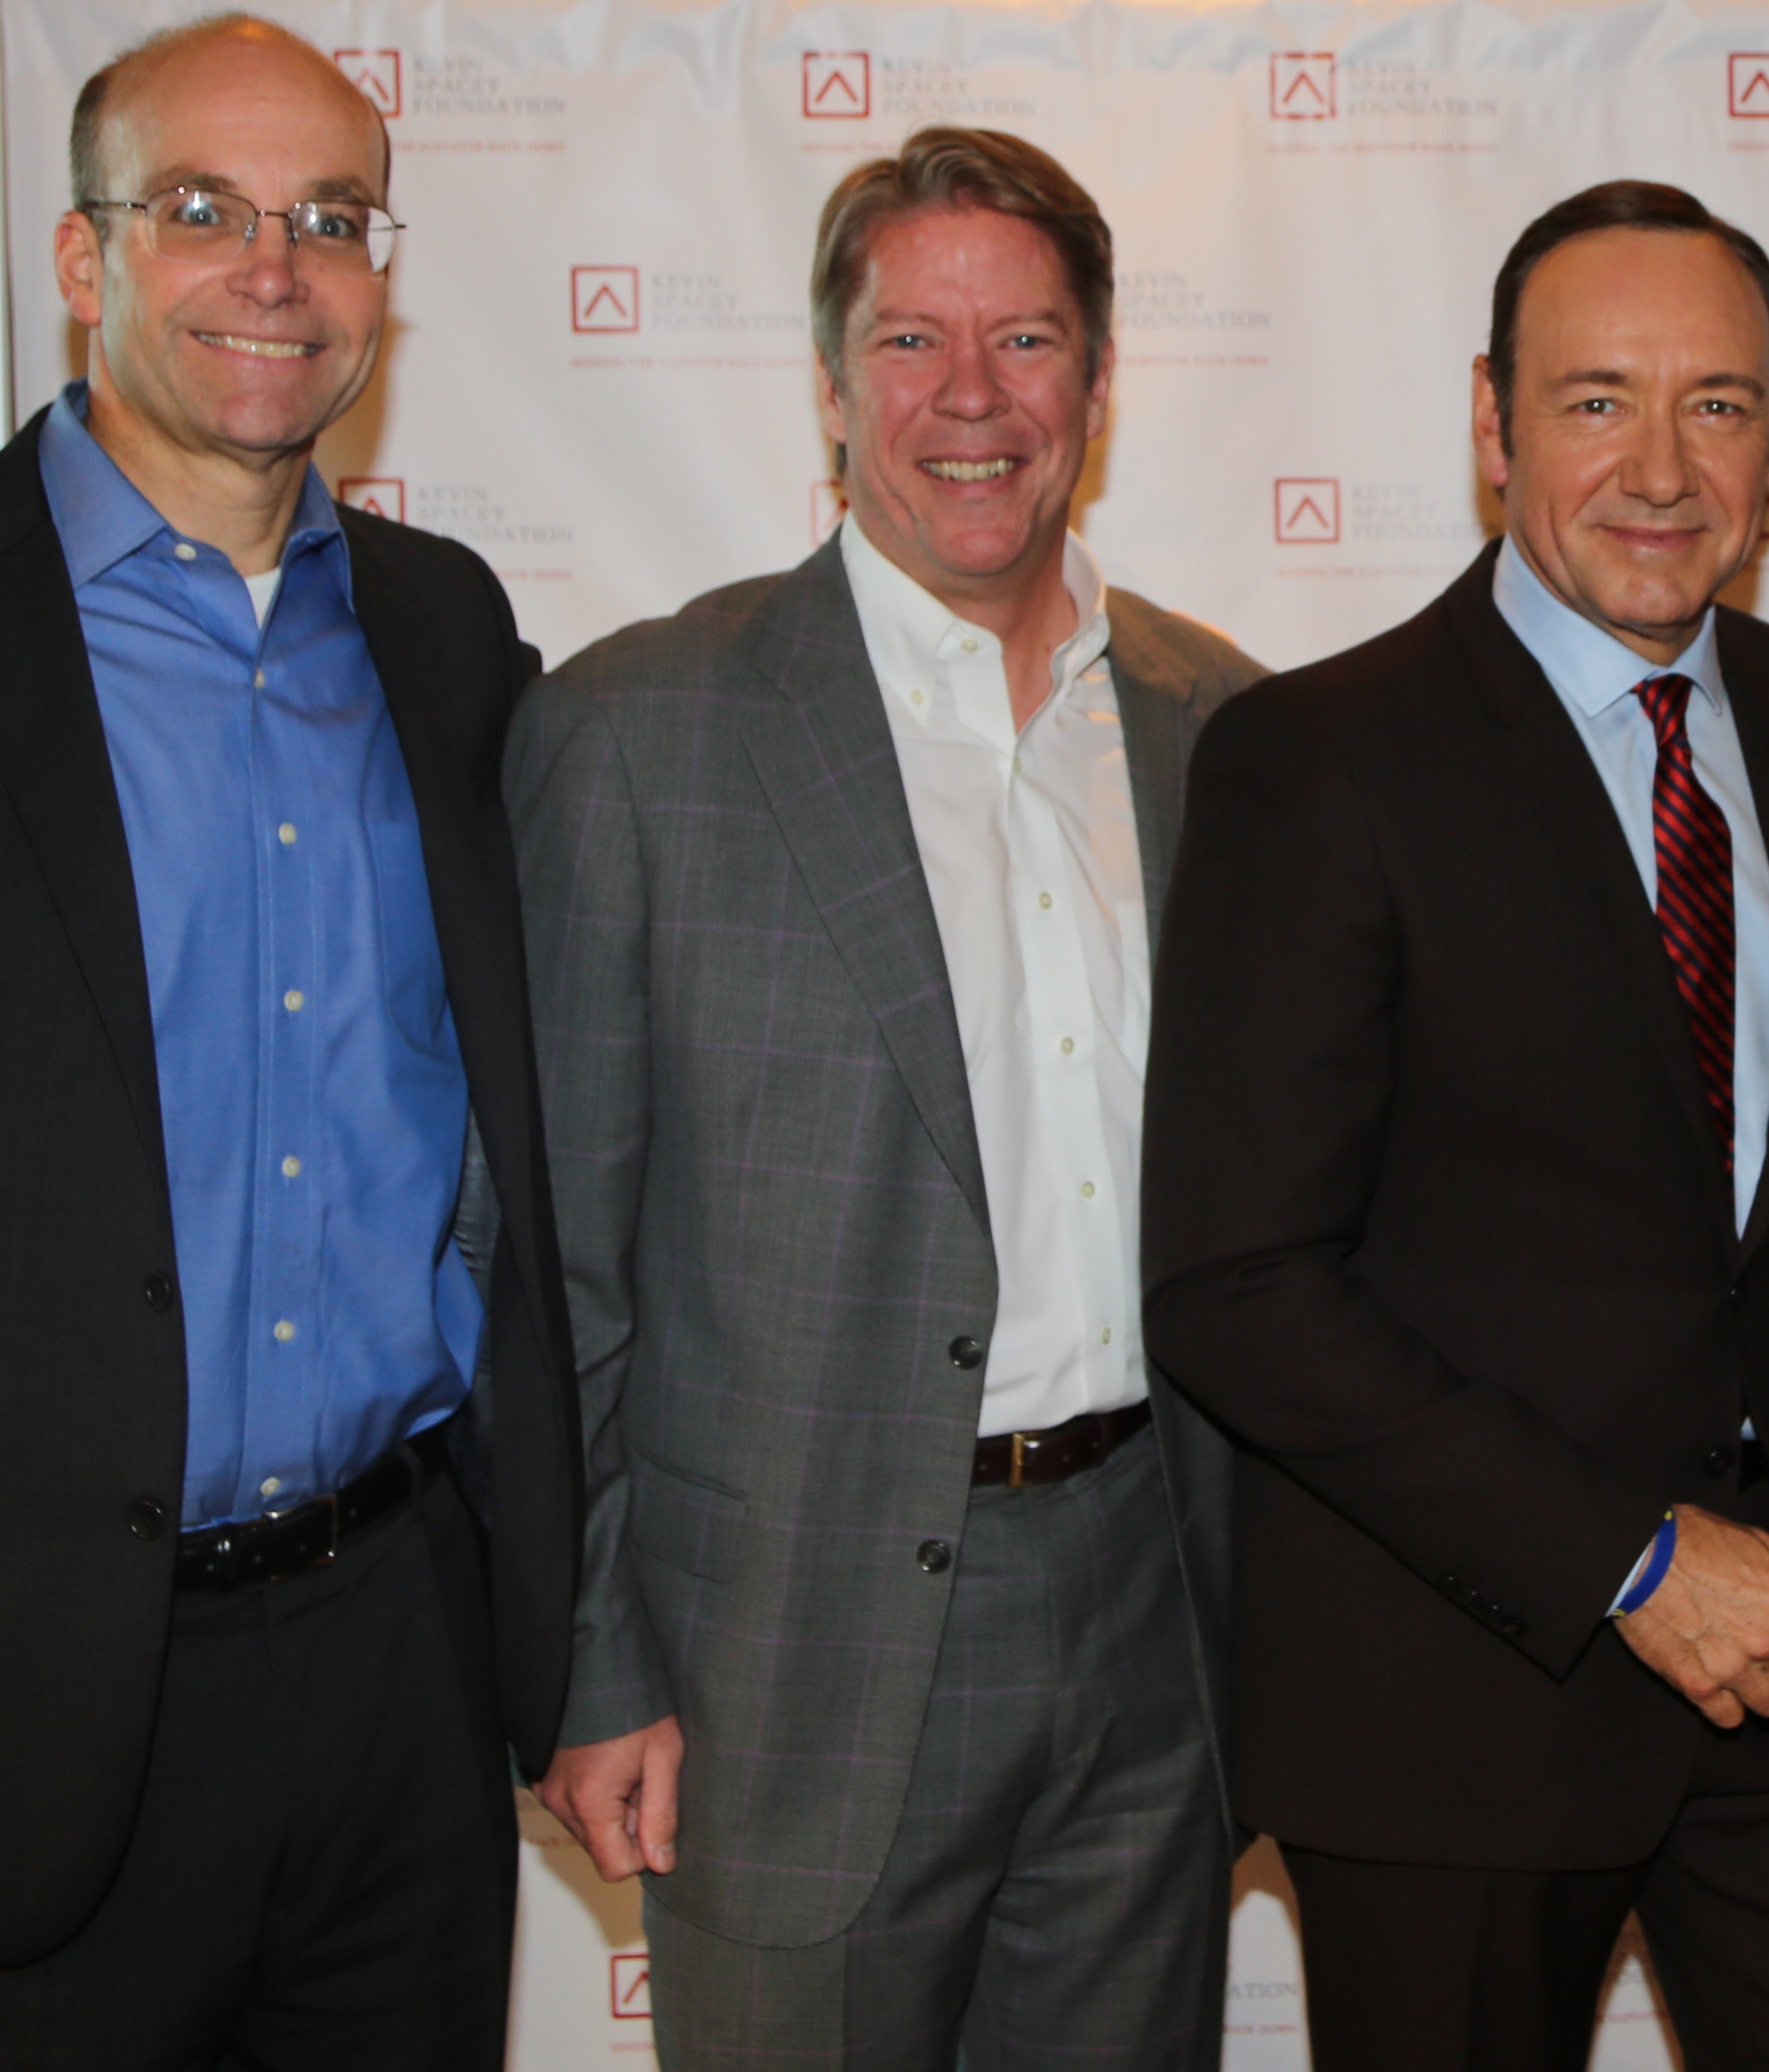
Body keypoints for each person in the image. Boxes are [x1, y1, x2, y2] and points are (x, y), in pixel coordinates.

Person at [1141, 180, 1769, 2072]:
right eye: (1599, 401)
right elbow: (1240, 1285)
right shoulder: (1321, 759)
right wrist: (1631, 1558)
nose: (1662, 468)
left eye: (1718, 404)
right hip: (1457, 1708)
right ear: (1492, 422)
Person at [511, 128, 1260, 2070]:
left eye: (1028, 340)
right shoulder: (635, 735)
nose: (971, 398)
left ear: (1100, 380)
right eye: (912, 342)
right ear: (833, 386)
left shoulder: (1227, 729)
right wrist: (589, 1663)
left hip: (1152, 1625)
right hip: (778, 1663)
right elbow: (555, 1271)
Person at [0, 17, 582, 2066]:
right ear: (82, 258)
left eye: (333, 220)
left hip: (402, 1657)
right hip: (51, 1681)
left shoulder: (446, 632)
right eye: (204, 210)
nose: (276, 267)